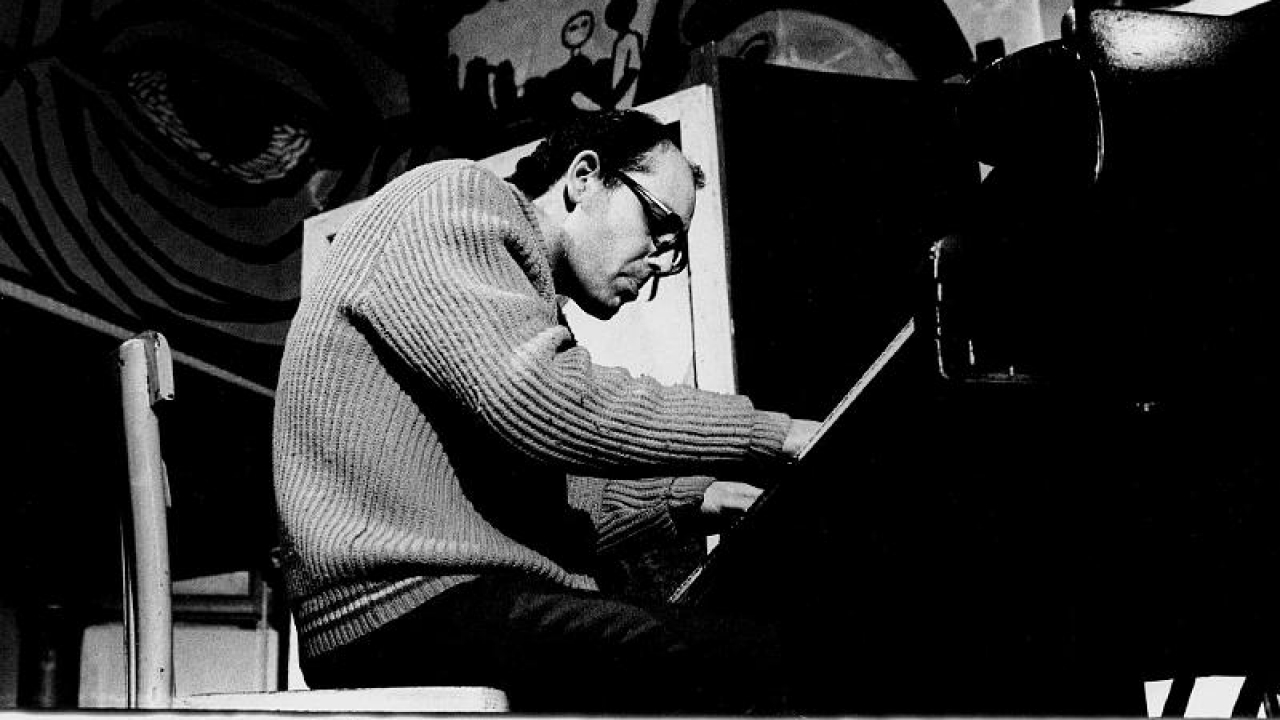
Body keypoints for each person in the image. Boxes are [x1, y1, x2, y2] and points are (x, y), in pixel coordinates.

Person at [272, 109, 821, 713]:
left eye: (674, 251)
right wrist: (773, 434)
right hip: (398, 606)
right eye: (658, 226)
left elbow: (565, 507)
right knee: (762, 655)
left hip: (437, 603)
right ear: (584, 177)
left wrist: (695, 498)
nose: (659, 261)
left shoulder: (517, 299)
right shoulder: (453, 198)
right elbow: (541, 397)